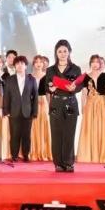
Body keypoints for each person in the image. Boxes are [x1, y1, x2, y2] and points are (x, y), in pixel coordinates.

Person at [45, 40, 82, 172]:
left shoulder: (76, 68)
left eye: (65, 51)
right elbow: (46, 87)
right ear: (56, 53)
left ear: (69, 52)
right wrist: (51, 88)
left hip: (70, 103)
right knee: (56, 134)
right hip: (56, 103)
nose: (62, 54)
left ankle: (68, 163)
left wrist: (74, 88)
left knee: (69, 133)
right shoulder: (50, 70)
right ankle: (58, 163)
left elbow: (80, 86)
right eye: (60, 51)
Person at [78, 54, 105, 163]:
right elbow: (84, 93)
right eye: (93, 62)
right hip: (90, 104)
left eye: (97, 62)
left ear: (100, 64)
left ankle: (102, 155)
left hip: (102, 103)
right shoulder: (85, 77)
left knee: (102, 127)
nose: (95, 64)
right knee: (89, 127)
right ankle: (88, 155)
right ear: (90, 63)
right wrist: (83, 107)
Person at [3, 55, 37, 162]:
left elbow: (35, 97)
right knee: (14, 134)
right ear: (15, 66)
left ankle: (26, 155)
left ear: (26, 66)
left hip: (28, 112)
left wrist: (34, 112)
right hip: (14, 111)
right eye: (17, 63)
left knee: (26, 135)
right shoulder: (9, 79)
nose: (20, 65)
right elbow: (6, 96)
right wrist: (6, 111)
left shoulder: (32, 79)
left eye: (22, 63)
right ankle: (14, 155)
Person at [30, 55, 53, 161]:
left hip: (44, 102)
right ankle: (34, 152)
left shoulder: (48, 76)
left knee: (44, 126)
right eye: (36, 62)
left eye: (41, 62)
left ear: (44, 64)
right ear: (33, 64)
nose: (38, 64)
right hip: (32, 103)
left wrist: (50, 105)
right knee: (33, 127)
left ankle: (45, 152)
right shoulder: (29, 77)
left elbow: (48, 93)